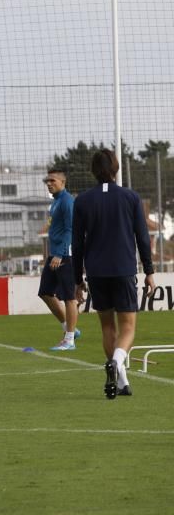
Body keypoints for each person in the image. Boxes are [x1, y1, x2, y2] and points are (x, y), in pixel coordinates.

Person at [72, 149, 155, 399]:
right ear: (116, 168)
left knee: (107, 326)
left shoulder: (83, 201)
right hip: (123, 269)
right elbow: (142, 237)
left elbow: (77, 243)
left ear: (93, 171)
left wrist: (78, 279)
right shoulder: (130, 197)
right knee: (128, 327)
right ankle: (118, 364)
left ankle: (121, 382)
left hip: (97, 272)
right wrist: (149, 271)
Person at [38, 168, 81, 351]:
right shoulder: (55, 202)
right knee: (45, 293)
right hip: (54, 254)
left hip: (65, 255)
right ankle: (69, 328)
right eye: (47, 181)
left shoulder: (67, 201)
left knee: (69, 298)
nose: (49, 183)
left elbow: (71, 229)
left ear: (62, 183)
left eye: (52, 181)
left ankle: (69, 340)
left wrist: (60, 253)